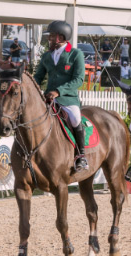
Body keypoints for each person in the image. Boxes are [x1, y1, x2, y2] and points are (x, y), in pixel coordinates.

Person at [33, 21, 88, 171]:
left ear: (61, 37)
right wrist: (30, 86)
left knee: (76, 118)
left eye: (51, 36)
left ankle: (81, 155)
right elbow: (38, 77)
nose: (48, 39)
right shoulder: (46, 56)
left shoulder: (76, 54)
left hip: (67, 98)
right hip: (48, 98)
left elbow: (78, 79)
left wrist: (58, 91)